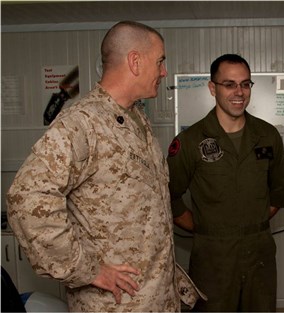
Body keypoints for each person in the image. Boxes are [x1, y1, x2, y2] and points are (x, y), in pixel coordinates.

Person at [6, 21, 204, 312]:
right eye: (160, 61)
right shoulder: (83, 123)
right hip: (116, 304)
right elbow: (27, 198)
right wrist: (87, 270)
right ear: (135, 61)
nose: (164, 71)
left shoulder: (136, 119)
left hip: (153, 297)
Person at [167, 54, 284, 312]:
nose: (239, 92)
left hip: (259, 255)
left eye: (245, 84)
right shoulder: (190, 141)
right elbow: (169, 197)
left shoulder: (267, 136)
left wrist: (251, 223)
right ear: (213, 88)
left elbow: (279, 192)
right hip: (213, 258)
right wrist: (204, 228)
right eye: (229, 84)